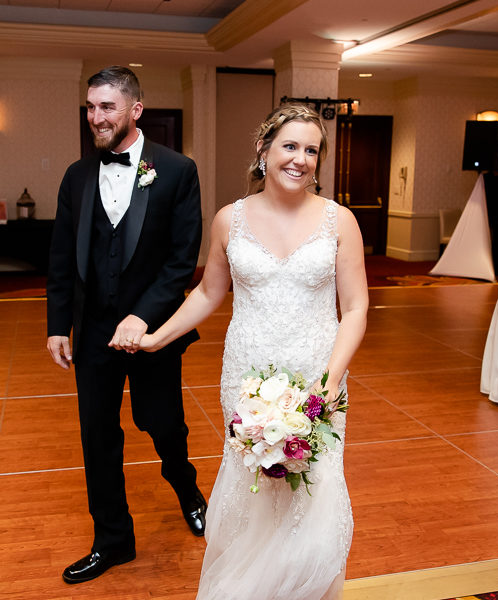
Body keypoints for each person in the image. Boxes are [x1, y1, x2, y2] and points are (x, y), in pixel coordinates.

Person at [131, 104, 368, 599]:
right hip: (247, 375)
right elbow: (206, 294)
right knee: (252, 482)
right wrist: (157, 337)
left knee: (313, 488)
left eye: (311, 150)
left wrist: (329, 379)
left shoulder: (340, 221)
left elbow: (357, 308)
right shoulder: (228, 220)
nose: (300, 159)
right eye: (290, 146)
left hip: (317, 377)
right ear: (263, 150)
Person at [46, 66, 206, 585]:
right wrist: (56, 325)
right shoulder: (75, 176)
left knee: (163, 426)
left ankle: (187, 490)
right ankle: (113, 540)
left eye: (107, 107)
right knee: (97, 435)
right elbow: (61, 258)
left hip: (154, 334)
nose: (96, 117)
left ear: (135, 110)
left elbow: (182, 261)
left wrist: (143, 317)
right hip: (92, 334)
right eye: (91, 107)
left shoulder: (178, 171)